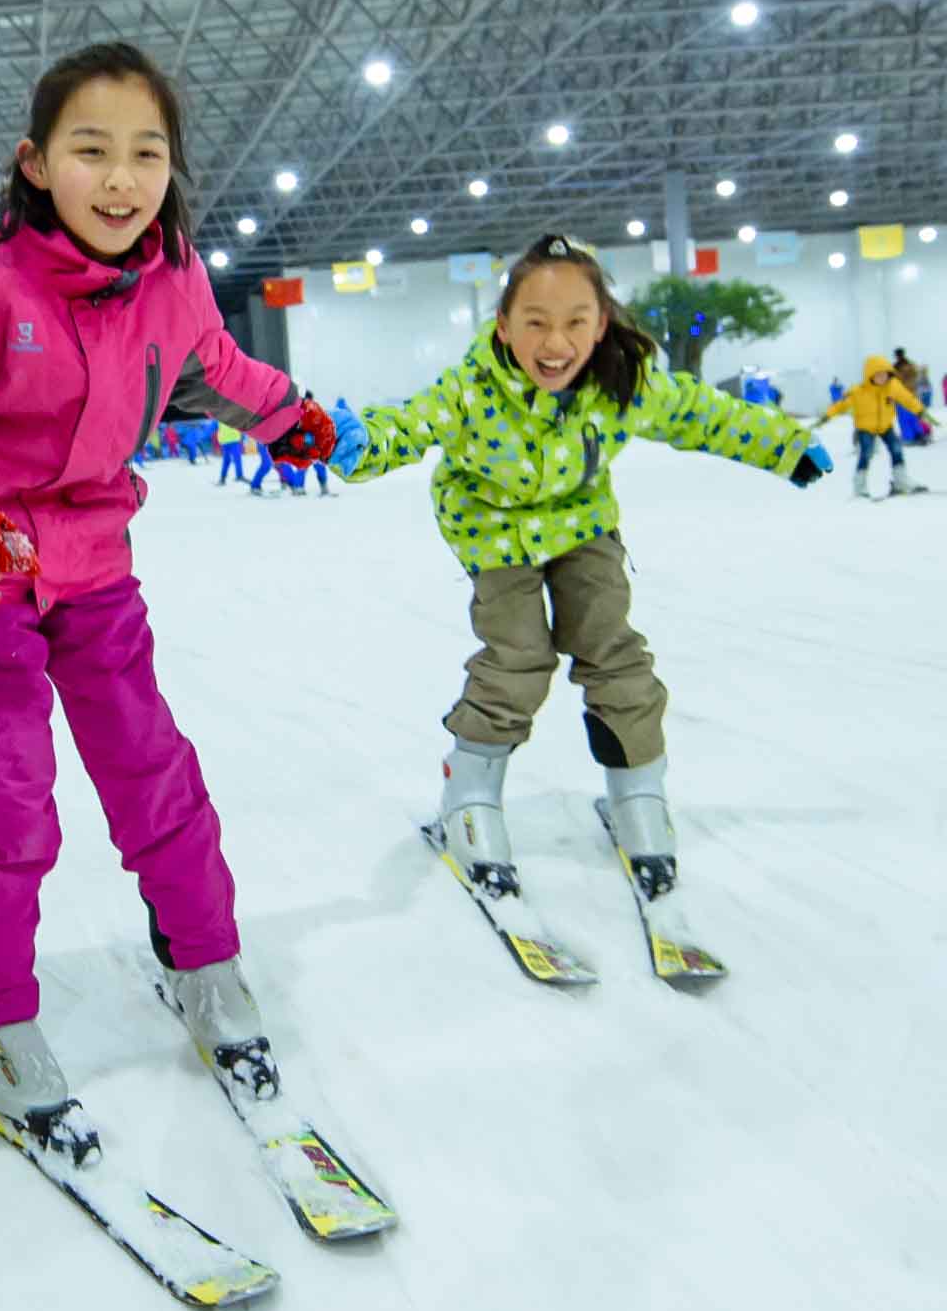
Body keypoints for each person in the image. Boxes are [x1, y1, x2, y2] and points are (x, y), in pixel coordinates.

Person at [0, 39, 344, 1148]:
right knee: (9, 798)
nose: (120, 180)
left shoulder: (171, 280)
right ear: (34, 164)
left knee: (151, 770)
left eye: (145, 154)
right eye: (91, 151)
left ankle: (203, 960)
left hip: (98, 569)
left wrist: (284, 415)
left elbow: (211, 361)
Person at [330, 232, 828, 907]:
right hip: (494, 529)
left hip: (582, 523)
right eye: (535, 322)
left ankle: (636, 790)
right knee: (518, 659)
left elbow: (703, 416)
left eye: (574, 322)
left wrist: (786, 445)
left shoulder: (624, 383)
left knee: (611, 648)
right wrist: (356, 445)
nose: (554, 342)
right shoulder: (473, 389)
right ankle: (469, 792)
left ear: (600, 327)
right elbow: (410, 424)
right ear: (504, 326)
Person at [817, 355, 930, 497]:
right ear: (870, 375)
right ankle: (860, 486)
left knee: (896, 450)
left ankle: (901, 480)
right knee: (866, 454)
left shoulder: (892, 386)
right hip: (865, 428)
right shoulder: (858, 391)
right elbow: (841, 405)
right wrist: (827, 415)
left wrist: (919, 410)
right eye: (878, 375)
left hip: (885, 426)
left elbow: (907, 398)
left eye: (885, 374)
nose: (882, 378)